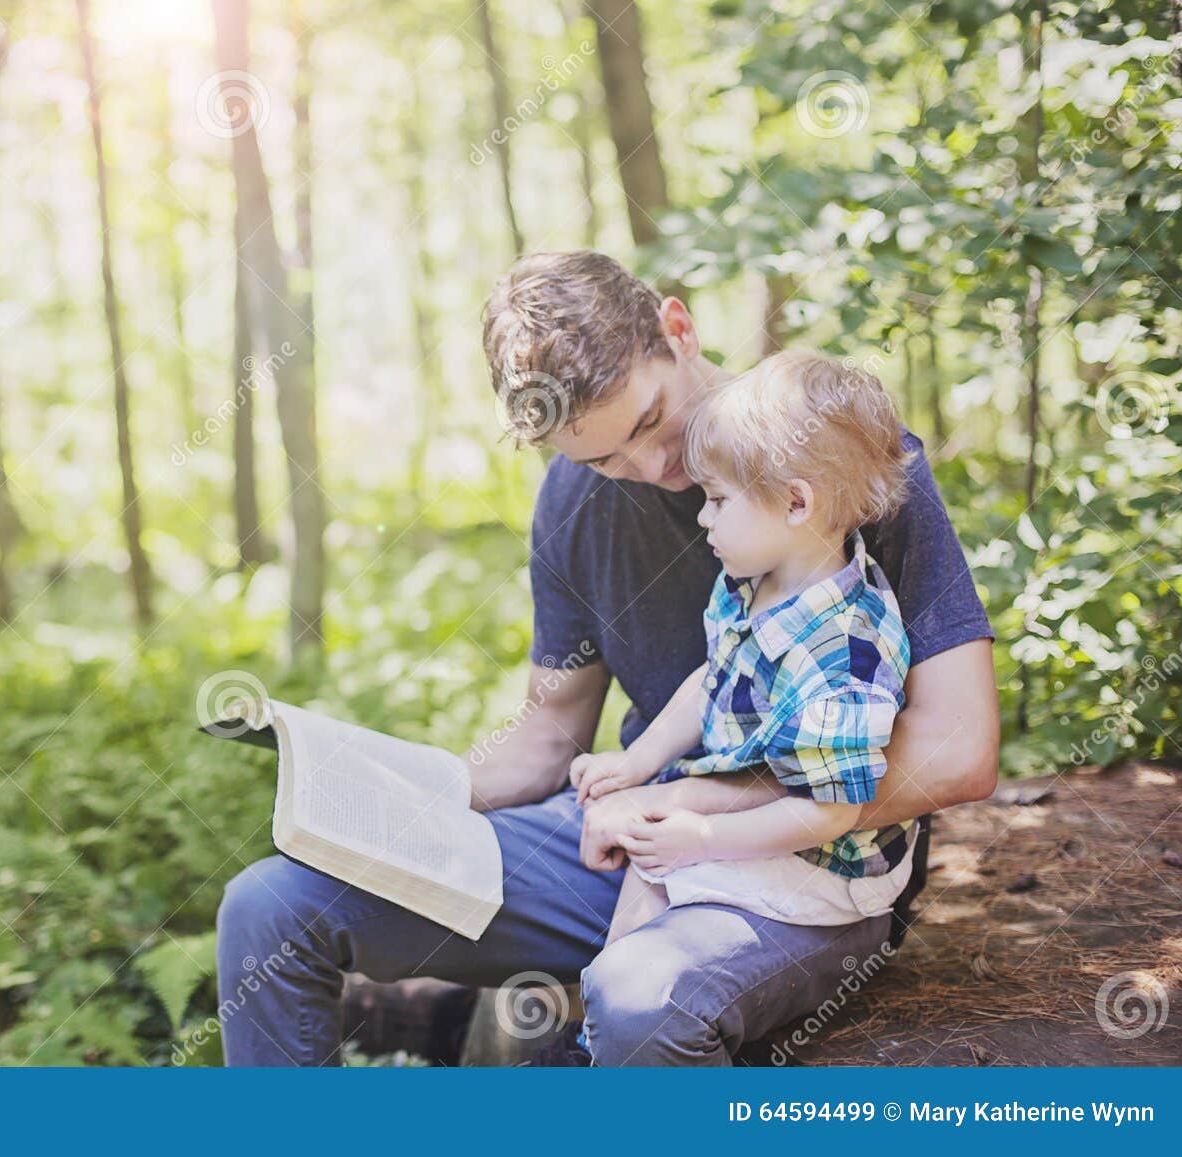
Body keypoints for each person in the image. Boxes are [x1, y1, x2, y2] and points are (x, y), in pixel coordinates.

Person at [215, 251, 997, 1066]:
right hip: (628, 842)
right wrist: (411, 791)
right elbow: (551, 734)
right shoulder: (571, 504)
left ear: (679, 329)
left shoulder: (835, 457)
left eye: (653, 421)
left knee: (637, 997)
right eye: (604, 458)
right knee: (271, 906)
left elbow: (962, 748)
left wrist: (700, 810)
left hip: (801, 865)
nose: (657, 469)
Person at [570, 351, 917, 952]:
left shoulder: (845, 656)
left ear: (796, 502)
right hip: (754, 811)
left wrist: (703, 839)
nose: (701, 517)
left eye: (718, 499)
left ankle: (615, 1016)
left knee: (661, 871)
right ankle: (607, 1014)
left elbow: (830, 813)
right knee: (648, 865)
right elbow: (714, 676)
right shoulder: (753, 581)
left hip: (830, 865)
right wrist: (636, 763)